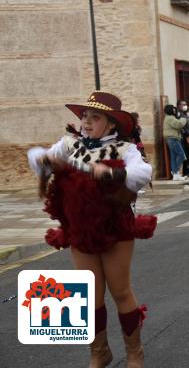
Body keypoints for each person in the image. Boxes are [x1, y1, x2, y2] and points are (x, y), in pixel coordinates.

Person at [27, 91, 156, 368]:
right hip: (80, 229)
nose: (86, 122)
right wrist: (46, 161)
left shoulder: (125, 149)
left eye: (94, 117)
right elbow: (38, 157)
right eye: (84, 116)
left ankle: (135, 353)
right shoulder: (69, 144)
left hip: (115, 228)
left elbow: (143, 173)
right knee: (89, 294)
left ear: (111, 124)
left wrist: (111, 172)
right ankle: (99, 353)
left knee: (120, 291)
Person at [163, 104, 188, 180]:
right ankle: (174, 171)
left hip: (171, 138)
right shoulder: (170, 118)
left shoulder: (169, 118)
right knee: (181, 155)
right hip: (172, 138)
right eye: (173, 109)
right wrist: (184, 119)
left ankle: (176, 175)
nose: (175, 110)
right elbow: (178, 124)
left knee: (173, 157)